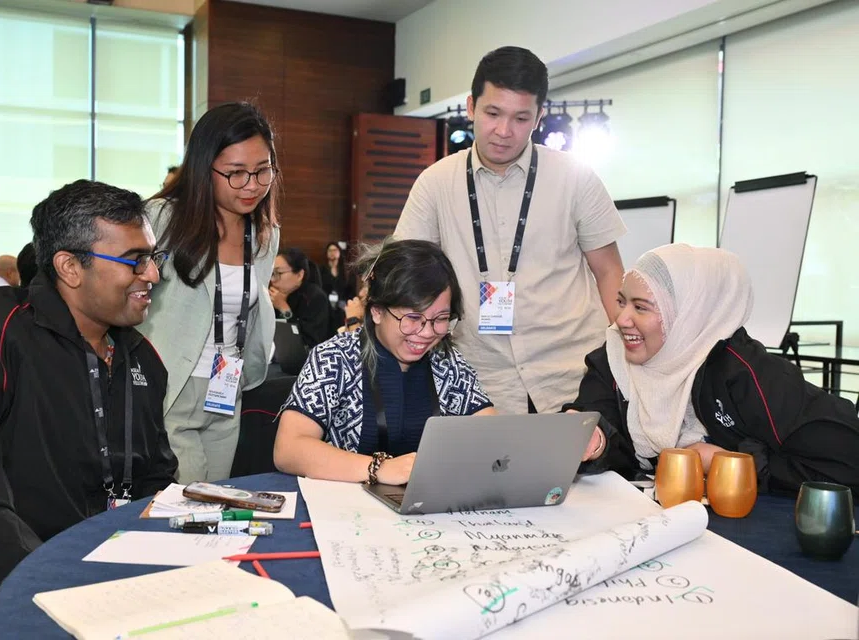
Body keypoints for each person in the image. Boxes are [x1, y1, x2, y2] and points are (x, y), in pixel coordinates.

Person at [0, 180, 178, 637]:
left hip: (94, 574)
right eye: (135, 260)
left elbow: (154, 482)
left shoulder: (142, 358)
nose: (152, 274)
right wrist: (64, 596)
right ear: (70, 267)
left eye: (154, 258)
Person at [394, 46, 627, 415]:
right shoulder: (435, 183)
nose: (504, 131)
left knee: (583, 473)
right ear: (471, 106)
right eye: (492, 113)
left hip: (574, 373)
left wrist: (630, 353)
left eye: (521, 118)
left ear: (539, 117)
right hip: (480, 381)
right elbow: (405, 275)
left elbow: (609, 271)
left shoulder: (576, 178)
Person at [565, 244, 859, 495]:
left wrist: (730, 463)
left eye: (640, 307)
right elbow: (613, 445)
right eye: (621, 302)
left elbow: (847, 463)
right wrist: (596, 440)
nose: (622, 319)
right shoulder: (612, 358)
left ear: (688, 315)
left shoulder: (741, 371)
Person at [273, 239, 498, 485]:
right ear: (377, 311)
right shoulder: (335, 359)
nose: (426, 333)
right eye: (412, 317)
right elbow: (289, 449)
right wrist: (379, 468)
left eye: (441, 319)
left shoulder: (447, 363)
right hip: (345, 510)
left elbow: (490, 436)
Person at [143, 102, 280, 483]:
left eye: (262, 171)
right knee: (183, 505)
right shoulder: (161, 219)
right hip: (171, 386)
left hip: (226, 388)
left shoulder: (266, 235)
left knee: (214, 502)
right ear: (206, 168)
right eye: (236, 173)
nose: (251, 185)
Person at [270, 247, 331, 348]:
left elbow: (309, 341)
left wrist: (284, 309)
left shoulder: (316, 298)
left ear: (299, 275)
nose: (273, 280)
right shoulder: (274, 296)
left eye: (278, 273)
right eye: (272, 274)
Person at [318, 241, 356, 327]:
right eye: (330, 251)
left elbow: (351, 291)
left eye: (335, 250)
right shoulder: (321, 270)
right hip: (326, 307)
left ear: (339, 252)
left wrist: (346, 304)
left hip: (341, 308)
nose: (332, 253)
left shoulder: (346, 271)